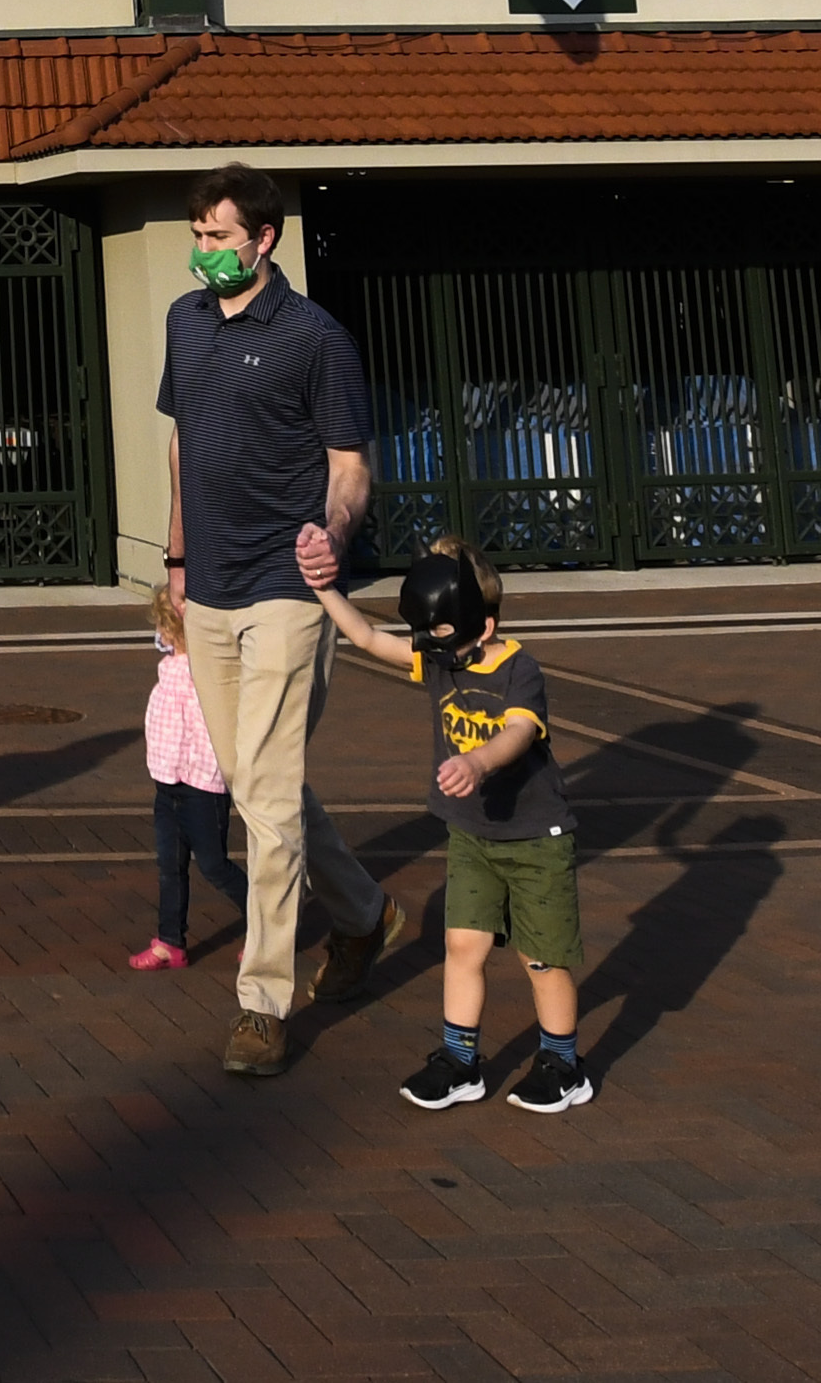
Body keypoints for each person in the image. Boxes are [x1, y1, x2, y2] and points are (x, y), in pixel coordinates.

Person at [154, 161, 404, 1076]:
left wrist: (332, 530)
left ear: (264, 239)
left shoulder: (315, 337)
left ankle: (261, 1001)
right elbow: (181, 443)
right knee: (260, 782)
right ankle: (367, 912)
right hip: (210, 586)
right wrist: (176, 561)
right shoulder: (185, 323)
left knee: (261, 794)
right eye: (198, 233)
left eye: (219, 235)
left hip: (289, 589)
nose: (204, 250)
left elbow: (349, 465)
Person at [297, 524, 591, 1115]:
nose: (434, 654)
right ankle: (461, 1063)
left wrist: (478, 763)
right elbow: (369, 639)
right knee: (461, 946)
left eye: (443, 639)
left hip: (536, 841)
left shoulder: (518, 670)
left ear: (484, 625)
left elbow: (516, 733)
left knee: (542, 958)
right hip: (473, 836)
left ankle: (562, 1063)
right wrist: (325, 588)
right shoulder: (440, 656)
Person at [132, 578, 250, 970]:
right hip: (168, 781)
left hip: (204, 784)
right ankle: (170, 940)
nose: (159, 634)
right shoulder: (169, 657)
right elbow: (166, 636)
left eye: (164, 626)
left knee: (214, 865)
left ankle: (267, 928)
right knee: (170, 864)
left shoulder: (210, 667)